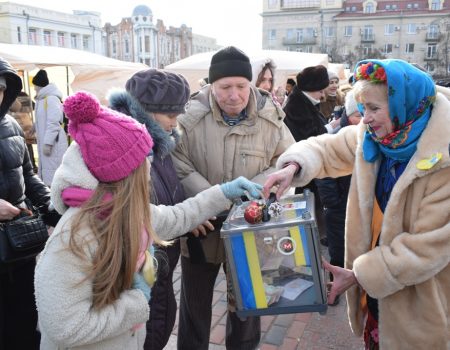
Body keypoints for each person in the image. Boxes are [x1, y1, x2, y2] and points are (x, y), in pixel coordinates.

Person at [34, 91, 263, 350]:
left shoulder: (128, 213)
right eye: (144, 162)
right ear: (124, 175)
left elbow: (179, 216)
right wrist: (136, 302)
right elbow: (65, 327)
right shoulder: (72, 238)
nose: (149, 169)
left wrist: (224, 192)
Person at [262, 59, 450, 349]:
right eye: (363, 109)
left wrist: (359, 274)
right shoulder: (378, 137)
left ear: (406, 105)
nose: (366, 119)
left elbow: (426, 248)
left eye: (374, 109)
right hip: (376, 291)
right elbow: (325, 147)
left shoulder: (444, 160)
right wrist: (292, 167)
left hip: (419, 303)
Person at [172, 46, 295, 350]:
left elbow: (287, 161)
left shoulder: (270, 116)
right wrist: (208, 202)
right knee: (194, 307)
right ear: (212, 86)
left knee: (246, 306)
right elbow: (176, 161)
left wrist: (249, 192)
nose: (233, 95)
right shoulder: (190, 116)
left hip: (249, 228)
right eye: (224, 87)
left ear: (250, 84)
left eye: (241, 86)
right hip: (202, 226)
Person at [108, 68, 197, 350]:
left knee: (161, 322)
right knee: (150, 331)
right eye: (171, 115)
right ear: (146, 111)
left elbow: (165, 195)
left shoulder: (158, 145)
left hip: (161, 262)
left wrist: (187, 219)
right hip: (141, 267)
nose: (176, 122)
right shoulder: (127, 150)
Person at [0, 58, 53, 349]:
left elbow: (29, 175)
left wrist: (53, 207)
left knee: (25, 323)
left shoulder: (12, 125)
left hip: (20, 244)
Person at [32, 69, 68, 186]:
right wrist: (34, 127)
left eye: (35, 85)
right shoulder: (42, 100)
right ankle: (49, 197)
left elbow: (53, 122)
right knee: (48, 172)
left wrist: (48, 143)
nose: (34, 88)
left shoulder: (51, 99)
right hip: (48, 142)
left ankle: (55, 198)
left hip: (53, 143)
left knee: (53, 174)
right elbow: (42, 119)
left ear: (40, 85)